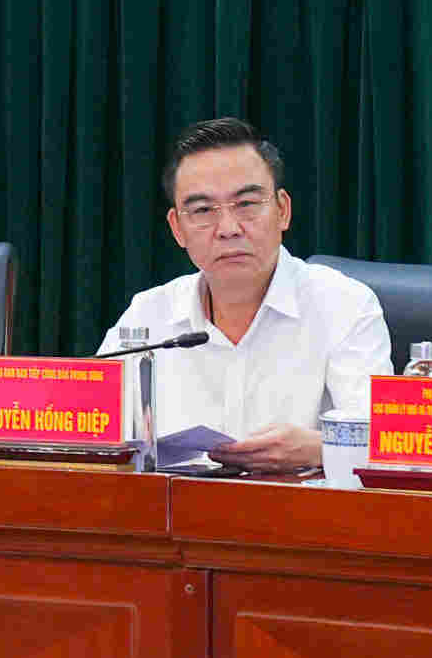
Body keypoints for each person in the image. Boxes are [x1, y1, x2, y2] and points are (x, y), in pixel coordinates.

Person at [98, 117, 389, 472]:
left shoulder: (345, 305)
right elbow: (95, 434)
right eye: (203, 210)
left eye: (247, 204)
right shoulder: (148, 314)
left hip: (302, 518)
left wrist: (319, 450)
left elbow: (383, 444)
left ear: (283, 210)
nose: (228, 229)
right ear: (177, 228)